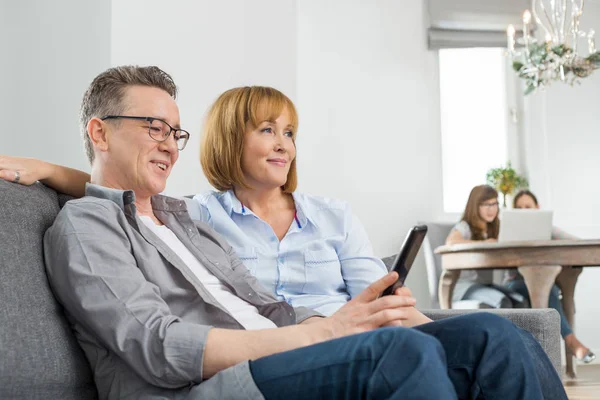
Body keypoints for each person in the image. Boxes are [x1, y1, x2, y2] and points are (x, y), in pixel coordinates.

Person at [9, 65, 566, 399]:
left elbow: (268, 307)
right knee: (398, 356)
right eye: (152, 127)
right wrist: (316, 336)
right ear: (99, 132)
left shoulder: (181, 217)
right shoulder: (87, 226)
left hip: (276, 353)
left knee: (491, 335)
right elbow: (157, 346)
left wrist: (334, 322)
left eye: (174, 131)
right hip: (198, 388)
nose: (169, 143)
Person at [0, 86, 388, 316]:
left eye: (289, 133)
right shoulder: (197, 215)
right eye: (268, 129)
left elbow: (378, 299)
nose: (283, 144)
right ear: (232, 140)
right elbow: (126, 193)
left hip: (351, 336)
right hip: (278, 350)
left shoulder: (334, 216)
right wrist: (48, 170)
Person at [507, 189, 595, 363]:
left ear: (537, 208)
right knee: (549, 289)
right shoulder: (509, 232)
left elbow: (577, 244)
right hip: (515, 285)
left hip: (546, 286)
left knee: (550, 289)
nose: (524, 211)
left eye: (528, 206)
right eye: (519, 208)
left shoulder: (548, 229)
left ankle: (563, 349)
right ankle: (571, 341)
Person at [445, 185, 527, 308]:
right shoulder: (464, 227)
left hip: (485, 285)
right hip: (464, 287)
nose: (492, 209)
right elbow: (451, 242)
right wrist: (484, 244)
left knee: (520, 302)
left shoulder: (494, 228)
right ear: (475, 206)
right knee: (503, 302)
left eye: (495, 204)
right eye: (486, 205)